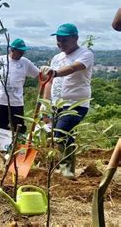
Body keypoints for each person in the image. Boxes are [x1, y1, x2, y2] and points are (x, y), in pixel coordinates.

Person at [44, 23, 94, 179]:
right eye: (58, 40)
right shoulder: (56, 58)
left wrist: (56, 72)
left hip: (75, 105)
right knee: (64, 135)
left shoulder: (85, 54)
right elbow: (49, 82)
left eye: (64, 40)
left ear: (75, 38)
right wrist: (45, 107)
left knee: (60, 133)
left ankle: (66, 170)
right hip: (56, 105)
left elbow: (74, 68)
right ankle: (67, 169)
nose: (60, 43)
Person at [0, 38, 40, 134]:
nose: (22, 53)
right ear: (12, 50)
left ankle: (16, 146)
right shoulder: (0, 60)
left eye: (23, 51)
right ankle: (3, 147)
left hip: (16, 101)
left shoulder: (25, 62)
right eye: (20, 51)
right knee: (2, 126)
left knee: (19, 127)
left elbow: (38, 74)